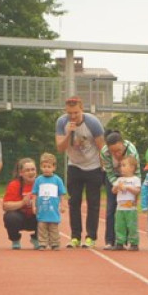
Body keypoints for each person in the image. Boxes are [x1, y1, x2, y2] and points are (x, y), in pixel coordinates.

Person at [55, 96, 106, 248]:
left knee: (93, 203)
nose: (73, 116)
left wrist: (103, 169)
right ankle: (75, 236)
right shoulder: (62, 122)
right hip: (74, 165)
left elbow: (101, 147)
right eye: (70, 113)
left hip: (93, 166)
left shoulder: (93, 122)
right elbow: (60, 148)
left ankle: (91, 237)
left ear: (82, 109)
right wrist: (69, 133)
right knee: (74, 202)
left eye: (76, 113)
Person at [100, 131, 140, 249]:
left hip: (131, 178)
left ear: (123, 144)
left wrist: (135, 194)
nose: (116, 154)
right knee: (111, 208)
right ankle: (111, 241)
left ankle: (131, 241)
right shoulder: (104, 152)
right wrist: (117, 185)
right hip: (114, 178)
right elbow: (109, 172)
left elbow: (137, 174)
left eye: (118, 150)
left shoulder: (131, 151)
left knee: (129, 212)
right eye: (113, 151)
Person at [1, 157, 39, 250]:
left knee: (50, 213)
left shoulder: (41, 183)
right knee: (10, 217)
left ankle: (37, 238)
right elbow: (5, 206)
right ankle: (15, 239)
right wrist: (22, 203)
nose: (31, 172)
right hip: (20, 218)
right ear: (21, 173)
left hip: (37, 217)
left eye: (33, 169)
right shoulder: (14, 185)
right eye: (27, 170)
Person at [33, 152, 67, 251]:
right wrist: (34, 206)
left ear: (54, 167)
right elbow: (34, 194)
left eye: (49, 166)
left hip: (53, 210)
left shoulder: (57, 180)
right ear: (41, 167)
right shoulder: (38, 180)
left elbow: (61, 194)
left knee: (53, 227)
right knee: (42, 227)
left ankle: (55, 243)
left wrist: (62, 205)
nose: (46, 169)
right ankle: (42, 243)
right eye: (44, 166)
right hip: (42, 209)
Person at [110, 155, 142, 251]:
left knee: (132, 226)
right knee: (119, 226)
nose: (121, 168)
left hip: (131, 208)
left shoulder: (135, 179)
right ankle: (120, 242)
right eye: (121, 166)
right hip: (120, 208)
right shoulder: (119, 180)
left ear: (132, 168)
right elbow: (113, 191)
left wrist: (128, 188)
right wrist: (117, 187)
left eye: (124, 165)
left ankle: (134, 243)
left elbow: (137, 191)